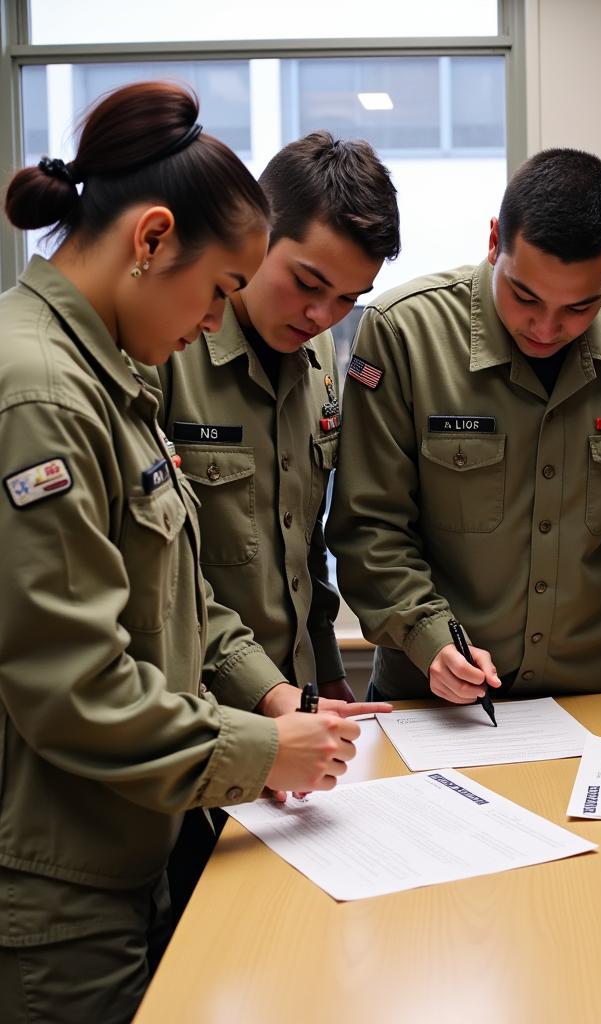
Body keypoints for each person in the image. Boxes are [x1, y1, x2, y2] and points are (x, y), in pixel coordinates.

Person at [0, 83, 365, 1024]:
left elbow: (175, 593)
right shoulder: (42, 394)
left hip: (129, 842)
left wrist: (270, 709)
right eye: (219, 292)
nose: (213, 323)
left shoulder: (108, 374)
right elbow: (73, 686)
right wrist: (259, 752)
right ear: (152, 239)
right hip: (56, 880)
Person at [330, 148, 601, 703]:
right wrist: (428, 637)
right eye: (524, 295)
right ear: (494, 242)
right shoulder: (404, 333)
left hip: (595, 697)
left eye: (580, 307)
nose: (546, 326)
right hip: (432, 697)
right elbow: (369, 527)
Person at [141, 132, 399, 913]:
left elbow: (301, 549)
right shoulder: (164, 353)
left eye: (348, 299)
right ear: (257, 234)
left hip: (285, 730)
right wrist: (272, 701)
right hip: (189, 736)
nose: (322, 315)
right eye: (307, 283)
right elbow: (172, 580)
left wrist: (320, 678)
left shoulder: (318, 365)